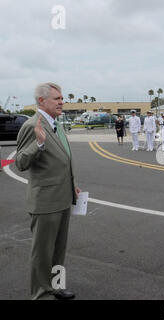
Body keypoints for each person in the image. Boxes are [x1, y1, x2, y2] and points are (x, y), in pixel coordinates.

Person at [15, 82, 81, 300]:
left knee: (58, 250)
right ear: (41, 101)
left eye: (62, 98)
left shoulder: (57, 125)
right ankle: (41, 293)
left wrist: (72, 186)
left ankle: (56, 286)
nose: (62, 102)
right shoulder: (32, 126)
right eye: (57, 99)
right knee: (42, 253)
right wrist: (39, 144)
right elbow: (20, 163)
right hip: (45, 202)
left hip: (62, 198)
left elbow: (62, 160)